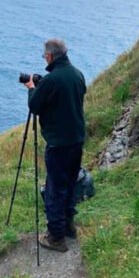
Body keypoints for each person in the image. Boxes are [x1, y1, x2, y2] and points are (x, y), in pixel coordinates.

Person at [23, 38, 86, 252]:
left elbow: (35, 106)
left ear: (50, 56)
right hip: (76, 139)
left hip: (58, 143)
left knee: (55, 188)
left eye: (44, 56)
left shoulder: (51, 80)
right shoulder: (77, 74)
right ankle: (68, 226)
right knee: (70, 183)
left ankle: (56, 237)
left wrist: (32, 87)